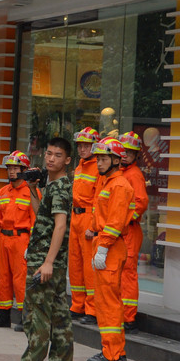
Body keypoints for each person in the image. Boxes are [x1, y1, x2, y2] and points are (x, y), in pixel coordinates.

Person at [4, 137, 74, 361]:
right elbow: (40, 213)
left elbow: (60, 224)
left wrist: (47, 262)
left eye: (57, 155)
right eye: (48, 153)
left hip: (45, 260)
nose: (50, 158)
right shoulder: (54, 186)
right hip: (51, 260)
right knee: (58, 315)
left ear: (67, 160)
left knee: (36, 315)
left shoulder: (59, 187)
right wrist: (34, 189)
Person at [86, 137, 134, 361]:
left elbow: (114, 223)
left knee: (109, 302)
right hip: (103, 245)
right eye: (98, 159)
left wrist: (103, 247)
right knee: (103, 301)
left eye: (104, 158)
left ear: (116, 160)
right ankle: (110, 350)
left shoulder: (120, 186)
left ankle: (114, 353)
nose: (99, 163)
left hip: (110, 247)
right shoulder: (107, 183)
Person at [0, 151, 36, 329]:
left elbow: (35, 222)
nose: (12, 171)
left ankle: (25, 318)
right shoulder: (2, 192)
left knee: (20, 280)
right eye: (10, 168)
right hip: (3, 239)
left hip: (21, 239)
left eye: (15, 168)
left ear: (24, 169)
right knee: (3, 279)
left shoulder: (32, 192)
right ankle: (3, 316)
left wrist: (32, 245)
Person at [118, 131, 148, 332]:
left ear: (136, 154)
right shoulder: (122, 173)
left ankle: (129, 318)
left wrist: (124, 220)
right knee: (120, 273)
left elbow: (141, 203)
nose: (126, 154)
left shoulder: (134, 175)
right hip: (122, 230)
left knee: (128, 274)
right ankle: (122, 314)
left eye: (130, 152)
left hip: (129, 230)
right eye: (124, 151)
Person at [69, 127, 100, 324]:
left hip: (88, 218)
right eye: (80, 146)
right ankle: (77, 305)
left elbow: (98, 201)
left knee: (89, 268)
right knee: (75, 265)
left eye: (86, 146)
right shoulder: (79, 167)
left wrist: (94, 225)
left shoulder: (98, 168)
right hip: (75, 217)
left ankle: (92, 309)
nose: (82, 149)